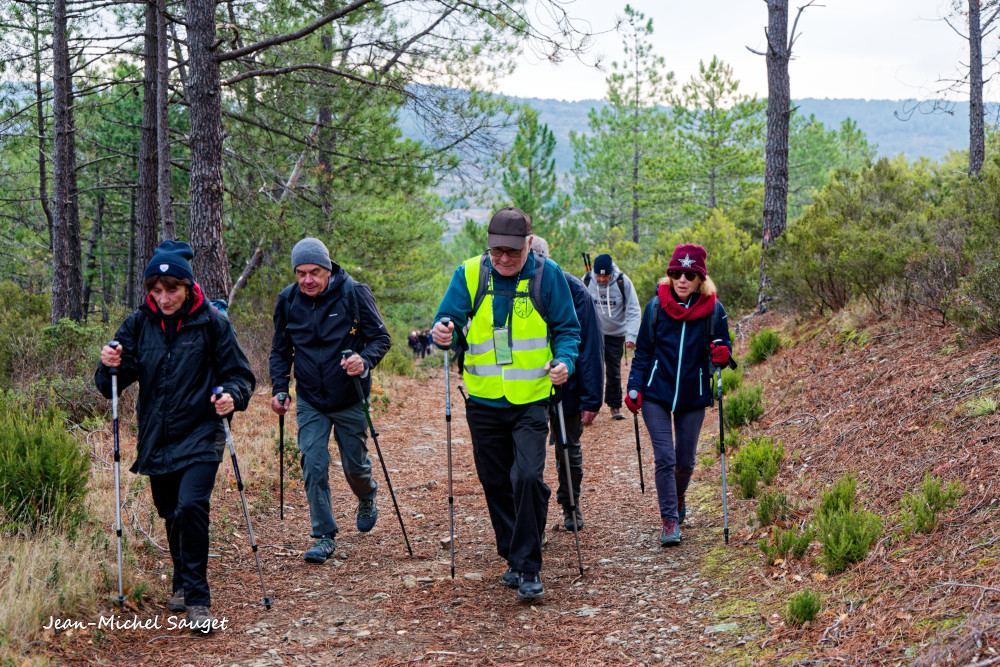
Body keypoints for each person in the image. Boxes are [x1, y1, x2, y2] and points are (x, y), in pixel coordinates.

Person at [95, 240, 256, 634]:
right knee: (170, 512)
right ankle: (181, 579)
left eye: (172, 290)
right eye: (157, 290)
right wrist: (109, 365)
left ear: (187, 287)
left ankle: (198, 600)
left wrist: (232, 397)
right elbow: (111, 384)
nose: (164, 299)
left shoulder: (212, 322)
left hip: (203, 432)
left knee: (191, 506)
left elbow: (241, 375)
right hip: (157, 437)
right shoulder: (138, 324)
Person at [432, 207, 580, 602]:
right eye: (497, 250)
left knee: (527, 478)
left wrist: (565, 361)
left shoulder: (547, 275)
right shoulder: (470, 273)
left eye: (513, 251)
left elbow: (568, 329)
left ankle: (529, 566)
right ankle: (513, 556)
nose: (504, 258)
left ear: (529, 244)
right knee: (495, 483)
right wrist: (443, 332)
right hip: (482, 399)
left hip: (531, 399)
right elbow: (447, 320)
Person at [269, 238, 391, 564]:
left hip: (350, 395)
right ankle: (324, 535)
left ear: (328, 268)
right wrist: (280, 389)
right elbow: (280, 351)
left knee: (355, 465)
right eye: (301, 273)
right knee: (313, 462)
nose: (307, 280)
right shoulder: (288, 300)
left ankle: (366, 495)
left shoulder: (354, 293)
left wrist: (364, 360)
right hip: (310, 398)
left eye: (314, 272)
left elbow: (381, 338)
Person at [624, 244, 733, 547]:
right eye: (676, 273)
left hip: (692, 394)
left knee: (684, 461)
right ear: (669, 275)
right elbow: (643, 353)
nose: (682, 280)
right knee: (665, 458)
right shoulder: (655, 307)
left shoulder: (714, 310)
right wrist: (634, 386)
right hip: (656, 393)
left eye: (689, 275)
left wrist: (723, 354)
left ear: (701, 279)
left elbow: (723, 349)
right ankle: (669, 519)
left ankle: (679, 493)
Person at [530, 236, 603, 532]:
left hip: (567, 385)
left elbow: (590, 346)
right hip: (527, 387)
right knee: (528, 454)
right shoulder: (512, 288)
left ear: (547, 259)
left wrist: (592, 398)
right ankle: (531, 516)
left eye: (537, 259)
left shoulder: (574, 290)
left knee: (567, 447)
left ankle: (571, 505)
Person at [583, 252, 641, 420]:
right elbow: (578, 304)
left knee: (613, 371)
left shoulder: (623, 282)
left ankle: (615, 405)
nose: (602, 279)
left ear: (611, 272)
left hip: (616, 334)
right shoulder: (587, 280)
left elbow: (633, 309)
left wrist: (631, 335)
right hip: (594, 333)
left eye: (605, 276)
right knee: (590, 369)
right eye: (599, 275)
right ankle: (588, 405)